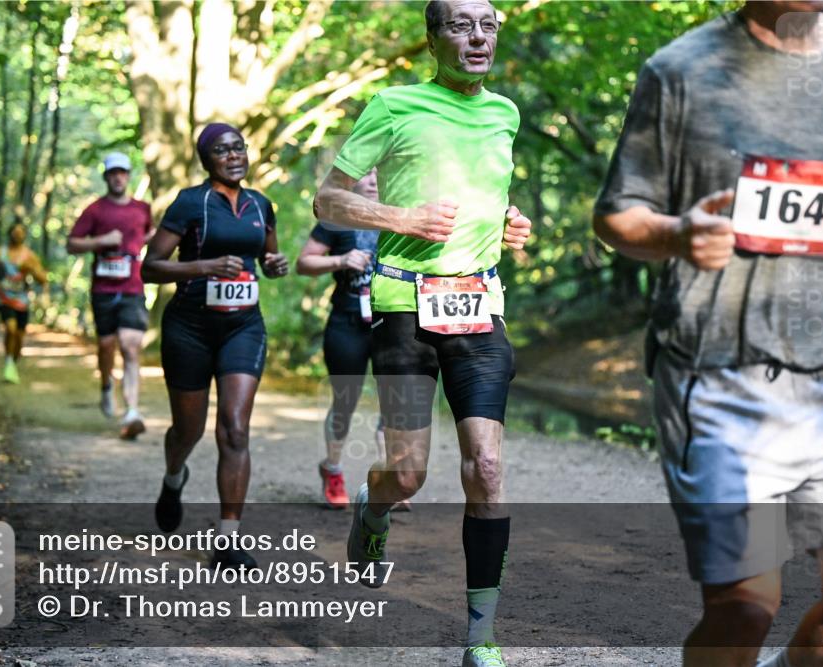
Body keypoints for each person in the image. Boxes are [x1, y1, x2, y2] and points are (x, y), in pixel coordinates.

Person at [593, 2, 823, 666]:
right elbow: (617, 214)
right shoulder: (680, 70)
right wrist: (676, 233)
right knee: (745, 607)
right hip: (727, 389)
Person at [313, 2, 532, 665]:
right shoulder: (393, 105)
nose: (477, 37)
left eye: (488, 24)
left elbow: (486, 201)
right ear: (432, 38)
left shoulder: (505, 114)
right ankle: (373, 514)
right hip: (404, 306)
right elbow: (329, 200)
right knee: (405, 474)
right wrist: (400, 216)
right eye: (461, 25)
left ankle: (481, 635)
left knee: (487, 468)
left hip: (478, 305)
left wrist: (508, 227)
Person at [143, 123, 289, 571]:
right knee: (187, 429)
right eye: (222, 151)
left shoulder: (261, 205)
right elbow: (151, 267)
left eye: (239, 147)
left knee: (235, 427)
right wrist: (203, 265)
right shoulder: (191, 202)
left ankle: (228, 541)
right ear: (207, 160)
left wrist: (274, 264)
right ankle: (174, 477)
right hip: (189, 327)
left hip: (243, 327)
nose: (234, 156)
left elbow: (267, 260)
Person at [296, 170, 397, 510]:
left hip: (391, 324)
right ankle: (333, 470)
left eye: (379, 171)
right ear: (352, 179)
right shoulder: (336, 219)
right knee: (345, 401)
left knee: (394, 401)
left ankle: (389, 479)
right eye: (365, 171)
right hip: (347, 322)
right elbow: (304, 262)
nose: (372, 178)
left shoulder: (402, 216)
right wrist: (341, 260)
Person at [68, 152, 155, 440]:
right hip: (103, 289)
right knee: (106, 345)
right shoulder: (94, 210)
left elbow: (147, 235)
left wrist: (149, 243)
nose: (118, 177)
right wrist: (100, 241)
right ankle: (106, 384)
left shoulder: (143, 208)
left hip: (133, 287)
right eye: (113, 173)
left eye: (123, 172)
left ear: (129, 176)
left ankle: (132, 411)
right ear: (106, 177)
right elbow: (72, 244)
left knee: (130, 347)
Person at [0, 223, 48, 384]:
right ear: (9, 234)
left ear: (24, 235)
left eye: (20, 232)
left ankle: (12, 363)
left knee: (19, 337)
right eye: (14, 232)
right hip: (4, 298)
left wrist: (32, 270)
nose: (17, 235)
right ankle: (8, 362)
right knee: (10, 328)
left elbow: (43, 279)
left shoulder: (30, 256)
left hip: (22, 300)